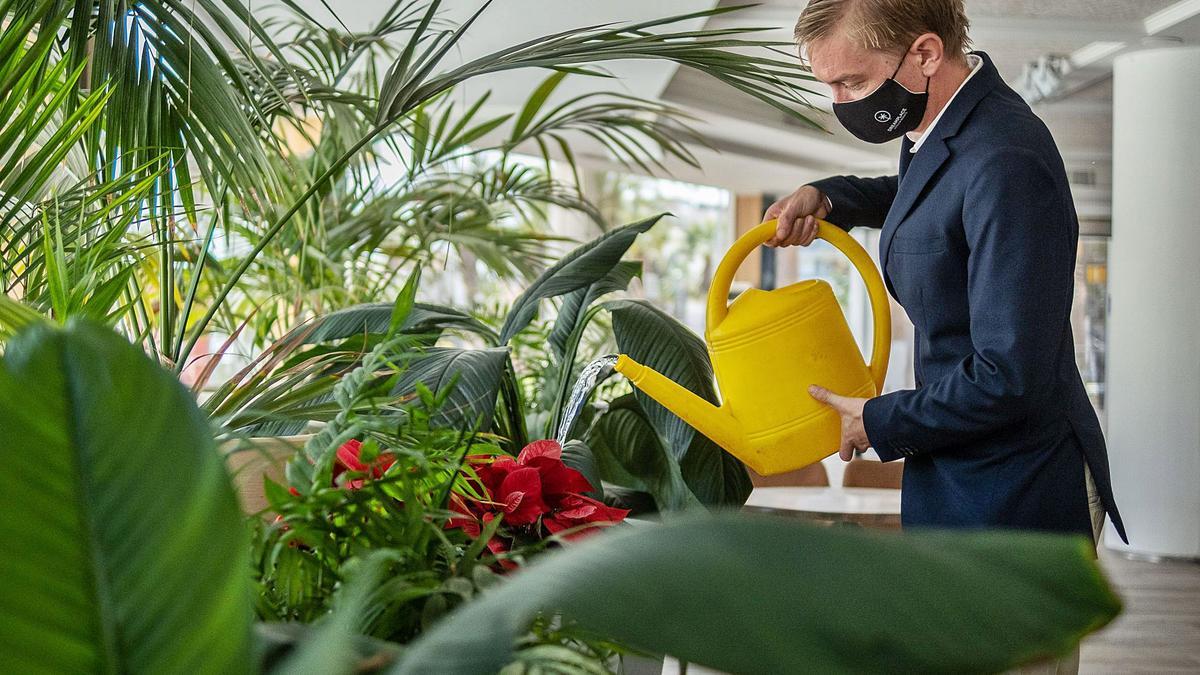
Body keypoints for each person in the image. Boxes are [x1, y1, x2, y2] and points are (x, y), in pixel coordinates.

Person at [766, 0, 1127, 551]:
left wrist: (878, 420)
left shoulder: (1006, 157)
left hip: (1015, 488)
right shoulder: (946, 126)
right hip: (961, 469)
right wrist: (831, 195)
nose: (838, 103)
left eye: (851, 83)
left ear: (926, 54)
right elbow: (927, 202)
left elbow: (1007, 375)